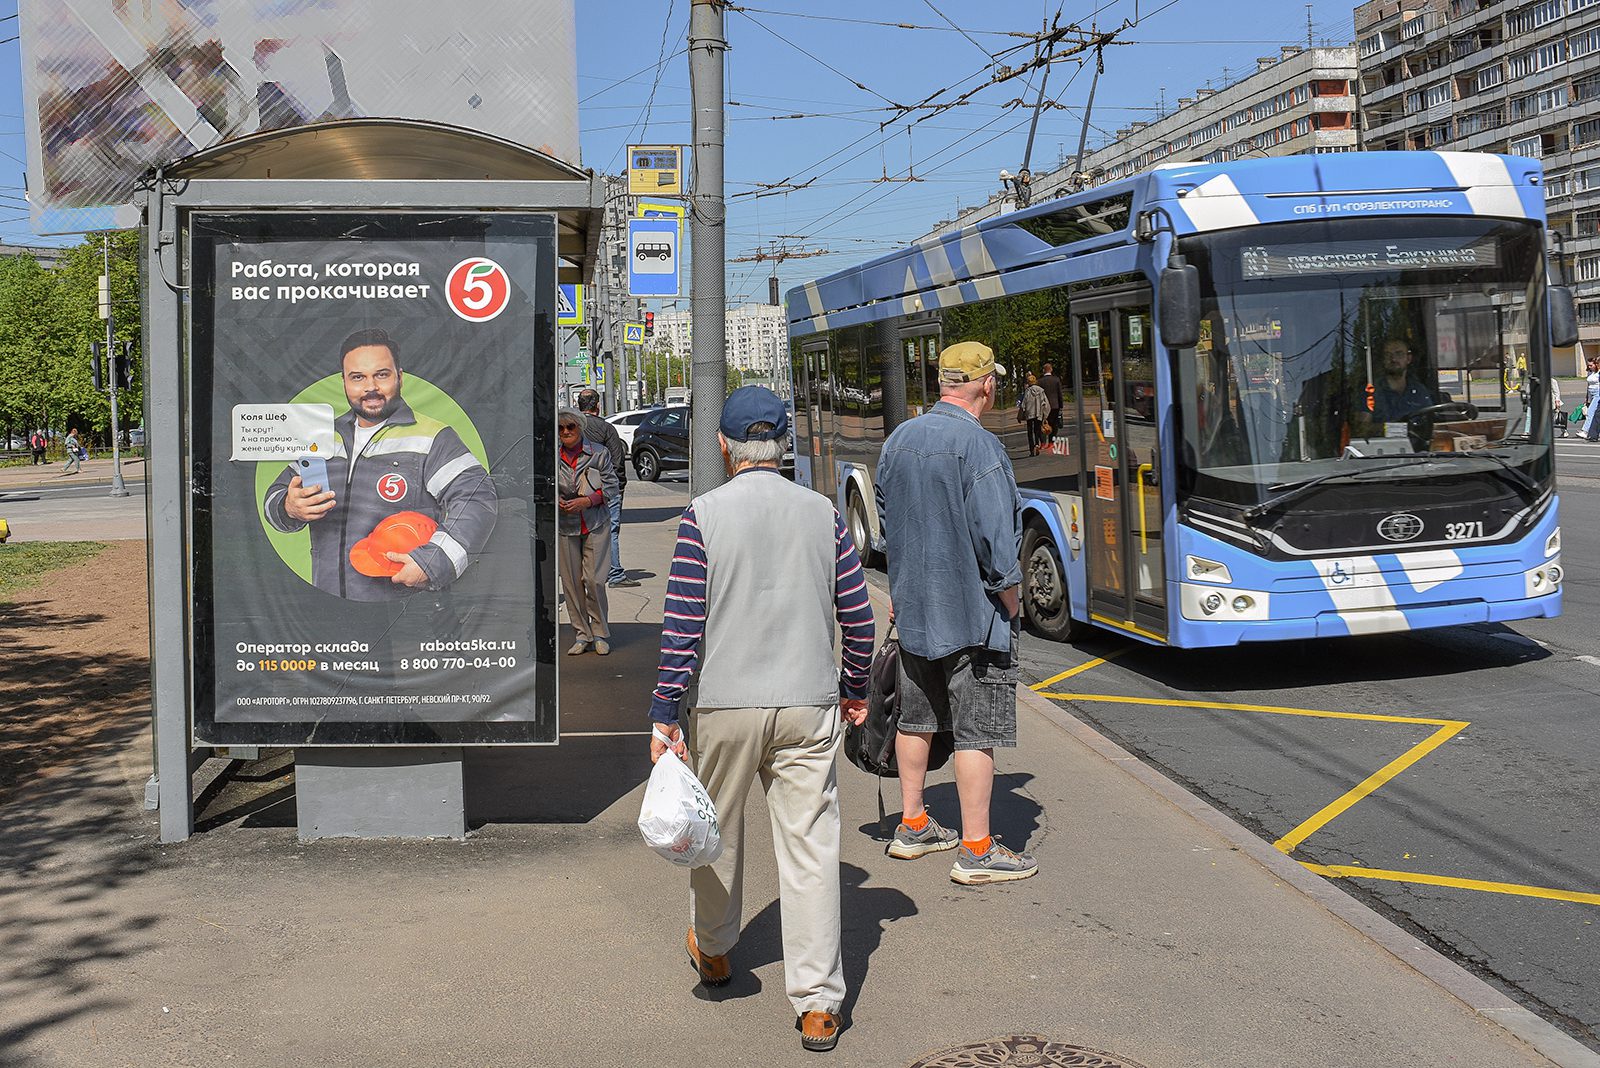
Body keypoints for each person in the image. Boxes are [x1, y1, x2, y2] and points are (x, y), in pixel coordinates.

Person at [648, 386, 875, 1053]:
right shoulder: (823, 513)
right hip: (808, 702)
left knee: (715, 829)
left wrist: (664, 714)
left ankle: (716, 950)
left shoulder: (702, 515)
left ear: (723, 445)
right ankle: (818, 1004)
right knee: (811, 847)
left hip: (725, 703)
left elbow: (682, 628)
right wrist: (854, 687)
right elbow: (859, 618)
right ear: (784, 446)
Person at [874, 340, 1037, 885]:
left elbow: (887, 523)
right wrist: (1011, 600)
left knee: (915, 719)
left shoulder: (899, 440)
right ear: (986, 384)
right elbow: (996, 540)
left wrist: (902, 585)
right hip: (973, 617)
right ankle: (976, 851)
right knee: (976, 731)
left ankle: (913, 825)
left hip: (914, 612)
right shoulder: (981, 447)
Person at [264, 327, 499, 601]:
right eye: (358, 377)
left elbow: (477, 499)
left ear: (400, 376)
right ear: (344, 382)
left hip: (402, 608)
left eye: (382, 374)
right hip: (328, 602)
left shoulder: (433, 437)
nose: (370, 387)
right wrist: (288, 506)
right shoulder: (323, 438)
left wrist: (434, 562)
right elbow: (277, 495)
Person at [557, 408, 618, 654]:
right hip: (565, 525)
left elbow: (612, 487)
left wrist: (588, 501)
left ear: (580, 427)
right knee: (571, 584)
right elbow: (542, 484)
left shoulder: (598, 453)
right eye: (561, 428)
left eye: (570, 427)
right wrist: (556, 500)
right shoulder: (552, 455)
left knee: (594, 581)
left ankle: (600, 633)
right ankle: (582, 635)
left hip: (595, 523)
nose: (565, 432)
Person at [576, 388, 638, 587]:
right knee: (610, 530)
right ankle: (614, 573)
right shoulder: (606, 429)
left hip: (576, 490)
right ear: (598, 406)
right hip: (605, 489)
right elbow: (617, 461)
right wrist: (619, 487)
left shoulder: (570, 428)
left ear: (578, 405)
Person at [1367, 338, 1444, 425]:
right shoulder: (1370, 391)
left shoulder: (1419, 390)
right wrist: (1394, 429)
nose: (1393, 359)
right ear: (1383, 360)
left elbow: (1432, 420)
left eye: (1399, 354)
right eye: (1387, 355)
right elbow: (1363, 427)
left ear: (1408, 359)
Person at [1020, 373, 1049, 456]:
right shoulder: (1041, 390)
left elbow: (1024, 403)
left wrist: (1021, 414)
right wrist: (1045, 415)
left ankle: (1032, 449)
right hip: (1038, 413)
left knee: (1030, 432)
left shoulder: (1027, 391)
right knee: (1037, 430)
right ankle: (1037, 444)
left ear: (1028, 382)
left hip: (1029, 414)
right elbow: (1046, 403)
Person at [1038, 361, 1064, 445]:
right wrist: (1061, 405)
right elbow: (1059, 393)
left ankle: (1043, 442)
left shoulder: (1040, 381)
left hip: (1044, 406)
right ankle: (1051, 442)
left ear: (1043, 370)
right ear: (1051, 369)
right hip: (1055, 405)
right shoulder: (1056, 380)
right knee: (1054, 424)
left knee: (1043, 424)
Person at [1582, 355, 1600, 442]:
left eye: (1591, 365)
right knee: (1596, 414)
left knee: (1591, 412)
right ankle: (1593, 433)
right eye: (1588, 365)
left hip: (1597, 394)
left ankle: (1585, 431)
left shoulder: (1598, 373)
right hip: (1591, 394)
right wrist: (1587, 398)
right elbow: (1588, 385)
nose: (1589, 367)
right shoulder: (1590, 373)